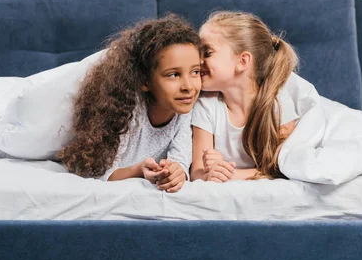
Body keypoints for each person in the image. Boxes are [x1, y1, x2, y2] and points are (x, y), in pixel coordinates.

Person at [59, 15, 201, 193]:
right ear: (145, 81)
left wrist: (176, 172)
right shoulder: (126, 110)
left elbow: (181, 159)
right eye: (173, 74)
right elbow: (101, 174)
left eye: (195, 72)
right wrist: (137, 171)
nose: (188, 86)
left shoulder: (185, 109)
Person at [191, 11, 299, 182]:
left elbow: (283, 168)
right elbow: (196, 172)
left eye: (207, 52)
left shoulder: (277, 104)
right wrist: (209, 174)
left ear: (242, 62)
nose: (197, 61)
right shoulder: (206, 106)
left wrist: (231, 175)